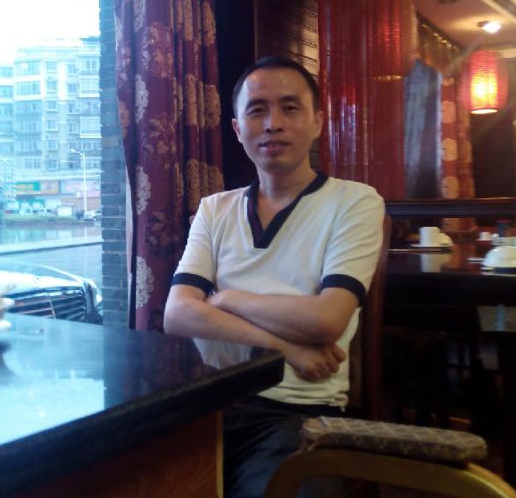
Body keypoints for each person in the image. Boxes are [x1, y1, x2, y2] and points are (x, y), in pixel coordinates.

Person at [164, 56, 384, 498]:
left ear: (317, 121)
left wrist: (226, 299)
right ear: (237, 128)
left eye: (290, 107)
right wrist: (286, 347)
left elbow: (327, 320)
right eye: (257, 110)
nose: (273, 124)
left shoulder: (355, 202)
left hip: (298, 413)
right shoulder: (215, 209)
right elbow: (177, 315)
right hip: (209, 402)